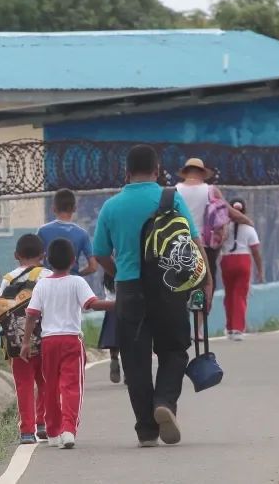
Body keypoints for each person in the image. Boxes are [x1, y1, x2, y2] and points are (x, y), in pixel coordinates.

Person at [93, 144, 213, 448]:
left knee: (135, 361)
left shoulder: (111, 207)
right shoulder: (171, 199)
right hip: (169, 288)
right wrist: (206, 283)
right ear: (157, 170)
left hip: (130, 289)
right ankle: (165, 403)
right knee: (174, 350)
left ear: (126, 172)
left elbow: (99, 254)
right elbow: (194, 244)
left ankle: (146, 431)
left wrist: (121, 269)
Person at [21, 237, 114, 449]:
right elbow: (94, 304)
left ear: (47, 261)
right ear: (74, 261)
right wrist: (118, 304)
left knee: (50, 387)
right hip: (71, 340)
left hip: (48, 342)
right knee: (72, 387)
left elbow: (31, 315)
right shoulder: (77, 282)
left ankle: (53, 433)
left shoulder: (42, 285)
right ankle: (69, 430)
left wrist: (26, 342)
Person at [175, 158, 253, 340]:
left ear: (186, 172)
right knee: (203, 287)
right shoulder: (210, 190)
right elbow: (228, 212)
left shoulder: (175, 191)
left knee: (180, 286)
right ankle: (198, 330)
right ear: (202, 173)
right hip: (206, 247)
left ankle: (182, 328)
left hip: (180, 245)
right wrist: (247, 220)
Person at [0, 233, 53, 444]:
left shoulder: (8, 279)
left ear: (15, 255)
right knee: (46, 381)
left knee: (24, 385)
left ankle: (27, 431)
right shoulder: (48, 275)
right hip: (45, 338)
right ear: (42, 255)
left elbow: (0, 306)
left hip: (17, 343)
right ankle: (43, 423)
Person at [220, 198, 265, 341]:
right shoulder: (249, 228)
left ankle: (229, 327)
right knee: (240, 295)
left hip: (227, 260)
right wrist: (260, 269)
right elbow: (255, 251)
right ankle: (238, 329)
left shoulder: (224, 227)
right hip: (243, 260)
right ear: (244, 211)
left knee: (229, 295)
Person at [37, 188, 97, 277]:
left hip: (49, 281)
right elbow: (93, 266)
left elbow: (33, 260)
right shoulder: (82, 233)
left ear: (54, 208)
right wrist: (76, 275)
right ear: (74, 208)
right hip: (72, 282)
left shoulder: (42, 231)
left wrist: (45, 272)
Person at [97, 266, 125, 385]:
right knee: (128, 340)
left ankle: (114, 359)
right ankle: (129, 372)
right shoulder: (125, 273)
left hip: (110, 308)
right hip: (126, 307)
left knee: (114, 339)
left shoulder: (107, 278)